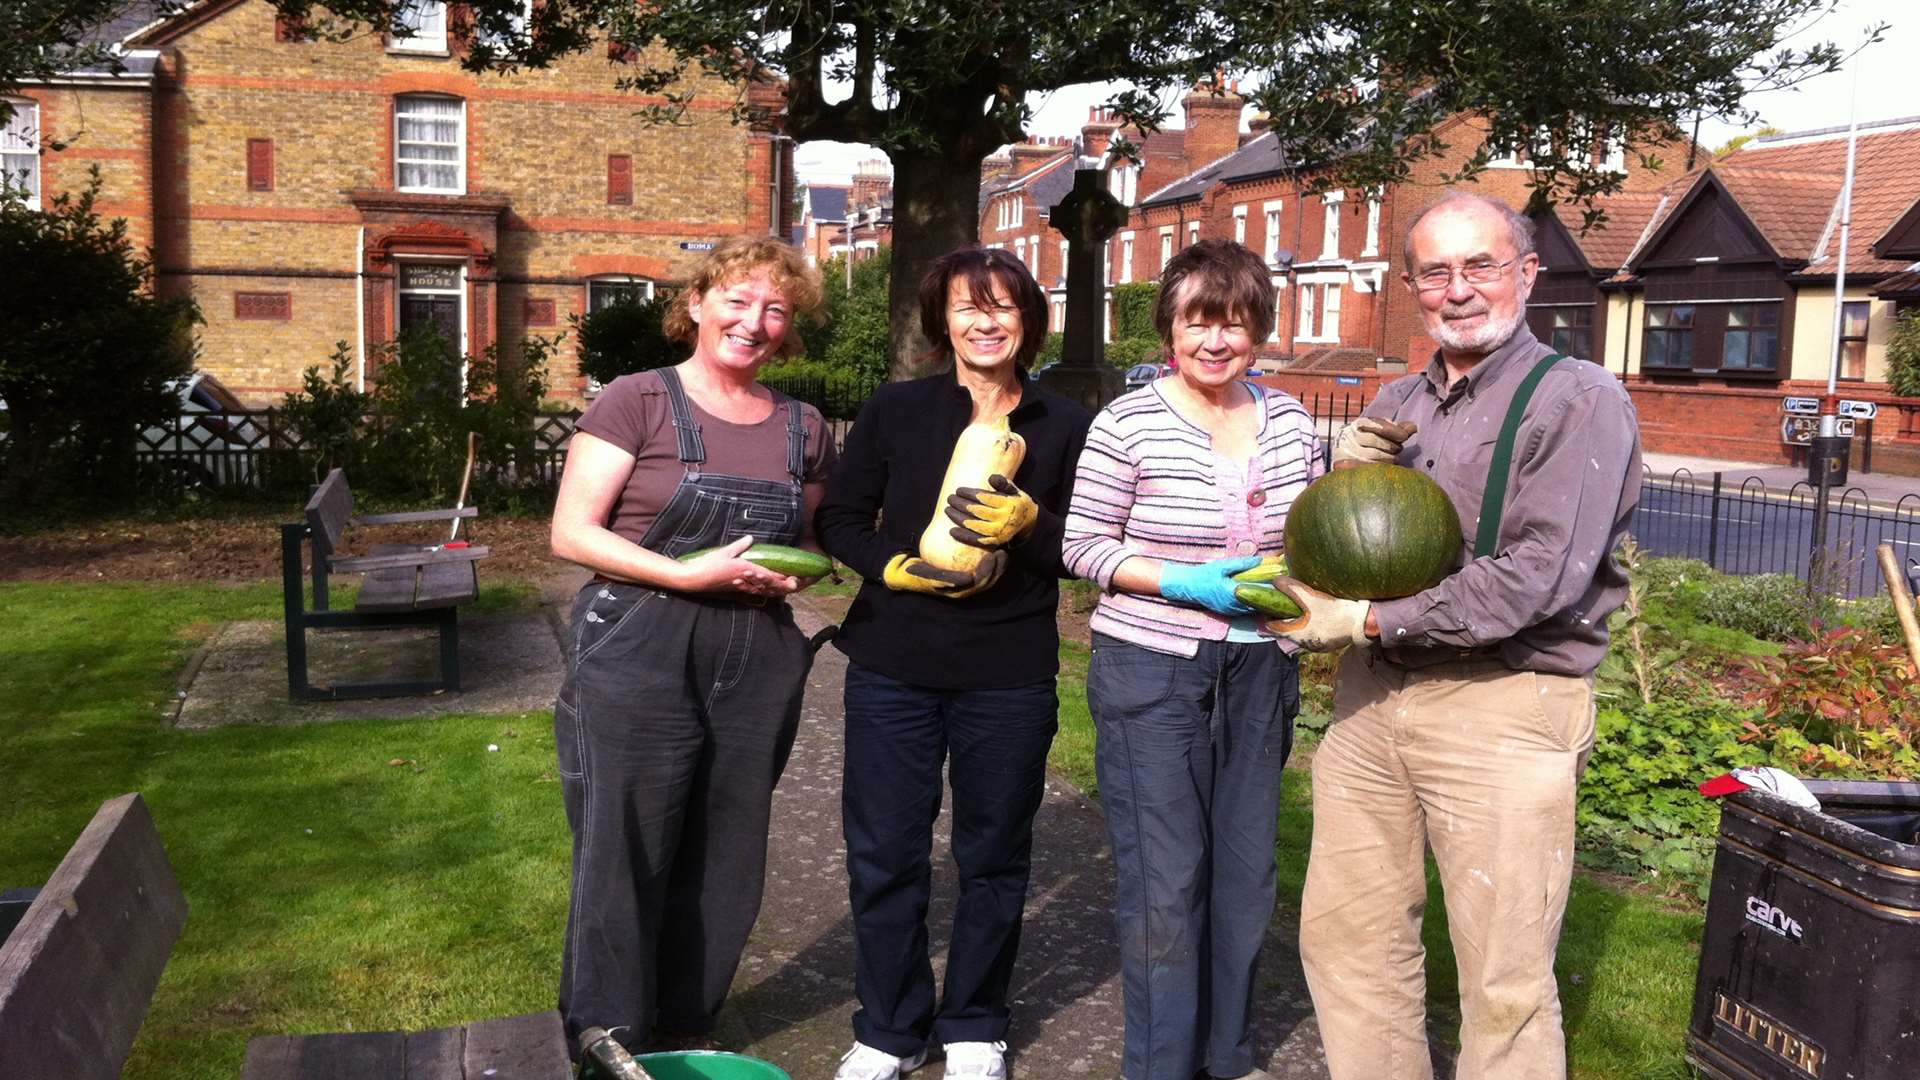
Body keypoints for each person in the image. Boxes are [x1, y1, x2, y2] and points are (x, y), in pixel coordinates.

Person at [1267, 191, 1642, 1079]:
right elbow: (1347, 546)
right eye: (1436, 271)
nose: (1460, 289)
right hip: (1373, 697)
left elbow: (1539, 576)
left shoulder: (1578, 399)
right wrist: (1336, 485)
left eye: (1481, 265)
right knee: (1348, 943)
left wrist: (1362, 619)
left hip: (1504, 706)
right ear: (1411, 286)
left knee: (1503, 980)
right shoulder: (1400, 400)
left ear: (1526, 273)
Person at [547, 236, 834, 1058]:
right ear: (698, 305)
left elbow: (806, 546)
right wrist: (685, 576)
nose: (754, 321)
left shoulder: (802, 427)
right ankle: (606, 1040)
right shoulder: (636, 401)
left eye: (774, 309)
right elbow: (572, 533)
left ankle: (687, 1027)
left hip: (755, 654)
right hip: (639, 639)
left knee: (729, 842)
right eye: (738, 301)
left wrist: (793, 580)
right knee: (626, 840)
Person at [815, 246, 1092, 1080]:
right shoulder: (897, 411)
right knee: (887, 851)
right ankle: (889, 1028)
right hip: (893, 661)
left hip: (1007, 669)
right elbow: (840, 519)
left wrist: (1029, 527)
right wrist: (891, 564)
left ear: (1028, 322)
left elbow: (1082, 547)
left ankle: (975, 1022)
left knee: (994, 853)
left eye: (1004, 306)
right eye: (969, 307)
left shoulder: (1065, 423)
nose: (986, 321)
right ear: (943, 320)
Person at [1060, 238, 1321, 1080]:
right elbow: (1082, 545)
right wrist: (1181, 580)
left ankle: (1226, 1052)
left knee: (1246, 876)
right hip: (1153, 669)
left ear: (1260, 331)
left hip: (1261, 671)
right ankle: (1162, 1065)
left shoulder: (1290, 420)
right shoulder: (1126, 421)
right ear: (1169, 327)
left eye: (1236, 325)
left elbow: (1314, 535)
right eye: (1199, 322)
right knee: (1166, 881)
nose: (1216, 342)